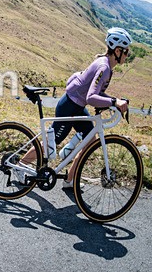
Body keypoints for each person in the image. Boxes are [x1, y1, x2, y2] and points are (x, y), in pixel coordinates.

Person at [24, 27, 132, 189]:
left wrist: (113, 101)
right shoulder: (104, 68)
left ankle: (70, 180)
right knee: (50, 144)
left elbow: (96, 92)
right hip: (69, 107)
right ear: (117, 50)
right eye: (126, 52)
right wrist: (114, 101)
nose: (127, 55)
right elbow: (91, 97)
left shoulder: (106, 64)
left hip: (77, 106)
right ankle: (20, 165)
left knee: (90, 142)